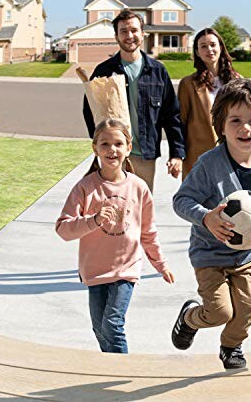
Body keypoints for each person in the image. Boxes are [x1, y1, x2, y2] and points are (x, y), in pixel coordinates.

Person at [171, 79, 251, 370]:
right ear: (221, 125)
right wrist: (206, 217)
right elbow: (182, 200)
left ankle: (231, 347)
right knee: (219, 312)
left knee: (247, 309)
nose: (245, 128)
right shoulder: (209, 164)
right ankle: (190, 317)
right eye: (236, 120)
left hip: (249, 256)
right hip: (211, 255)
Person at [56, 118, 174, 354]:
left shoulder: (139, 188)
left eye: (119, 144)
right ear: (95, 148)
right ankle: (110, 369)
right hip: (95, 269)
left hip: (125, 269)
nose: (112, 150)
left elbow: (148, 232)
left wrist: (160, 264)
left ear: (129, 148)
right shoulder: (85, 187)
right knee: (99, 329)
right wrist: (94, 221)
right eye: (105, 144)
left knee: (112, 324)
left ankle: (122, 371)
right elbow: (63, 229)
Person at [83, 9, 185, 192]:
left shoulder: (158, 71)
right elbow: (89, 109)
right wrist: (102, 145)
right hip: (113, 155)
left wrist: (176, 154)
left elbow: (172, 115)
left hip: (145, 155)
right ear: (116, 36)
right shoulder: (104, 71)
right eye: (123, 31)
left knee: (142, 210)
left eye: (134, 30)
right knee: (112, 208)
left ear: (142, 33)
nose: (129, 36)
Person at [177, 28, 239, 180]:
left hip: (233, 153)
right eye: (203, 46)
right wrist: (178, 155)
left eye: (213, 44)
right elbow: (180, 122)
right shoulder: (188, 84)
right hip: (198, 155)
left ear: (220, 48)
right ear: (197, 52)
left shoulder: (238, 81)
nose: (209, 49)